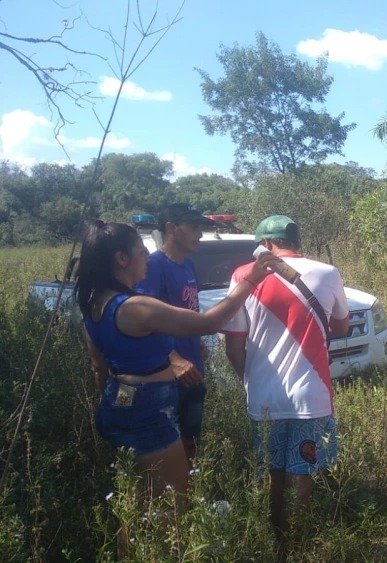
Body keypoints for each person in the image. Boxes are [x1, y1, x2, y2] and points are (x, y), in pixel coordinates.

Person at [76, 220, 275, 513]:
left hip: (116, 403)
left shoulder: (94, 305)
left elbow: (99, 367)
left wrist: (120, 409)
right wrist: (252, 280)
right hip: (148, 411)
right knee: (172, 504)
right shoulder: (134, 307)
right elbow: (209, 322)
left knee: (139, 500)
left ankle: (130, 552)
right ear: (122, 259)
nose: (147, 257)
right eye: (141, 251)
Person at [222, 215, 349, 559]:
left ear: (265, 245)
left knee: (272, 473)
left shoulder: (242, 276)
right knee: (302, 472)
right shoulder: (327, 272)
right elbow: (340, 327)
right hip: (312, 395)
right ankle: (295, 548)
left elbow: (233, 345)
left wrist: (248, 381)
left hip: (263, 397)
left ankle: (275, 543)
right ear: (295, 240)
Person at [134, 203, 215, 466]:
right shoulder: (154, 266)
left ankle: (190, 498)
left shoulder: (188, 265)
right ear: (171, 228)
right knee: (168, 445)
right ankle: (169, 500)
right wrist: (174, 358)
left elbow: (186, 310)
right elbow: (144, 321)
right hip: (167, 374)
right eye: (193, 227)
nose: (199, 234)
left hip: (193, 369)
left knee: (192, 439)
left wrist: (198, 342)